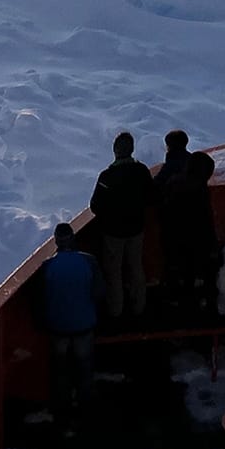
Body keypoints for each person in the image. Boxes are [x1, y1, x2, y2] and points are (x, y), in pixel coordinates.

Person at [39, 223, 103, 412]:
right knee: (84, 364)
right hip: (83, 324)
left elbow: (41, 299)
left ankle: (62, 404)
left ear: (56, 241)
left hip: (58, 326)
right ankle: (85, 402)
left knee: (60, 367)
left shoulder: (48, 267)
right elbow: (99, 293)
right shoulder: (89, 262)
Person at [152, 129, 218, 310]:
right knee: (194, 273)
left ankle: (178, 303)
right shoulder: (199, 182)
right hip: (197, 239)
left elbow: (157, 191)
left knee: (177, 271)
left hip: (175, 236)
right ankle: (196, 304)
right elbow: (206, 218)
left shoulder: (173, 178)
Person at [89, 131, 152, 319]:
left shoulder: (107, 176)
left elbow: (95, 206)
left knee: (113, 272)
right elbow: (152, 196)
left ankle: (115, 311)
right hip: (136, 229)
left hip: (113, 232)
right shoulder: (141, 171)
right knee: (136, 268)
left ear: (115, 150)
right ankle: (139, 308)